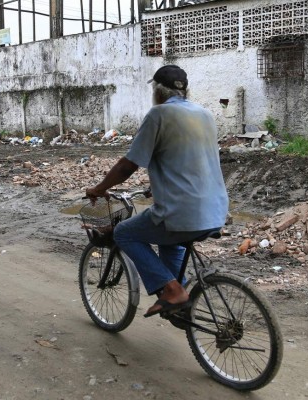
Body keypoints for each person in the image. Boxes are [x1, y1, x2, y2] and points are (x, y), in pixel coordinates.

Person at [85, 65, 228, 318]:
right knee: (170, 241)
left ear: (158, 92)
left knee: (124, 233)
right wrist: (157, 186)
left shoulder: (158, 114)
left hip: (181, 213)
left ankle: (173, 290)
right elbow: (188, 160)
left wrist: (99, 188)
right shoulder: (205, 114)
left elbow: (129, 165)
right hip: (215, 210)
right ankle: (181, 301)